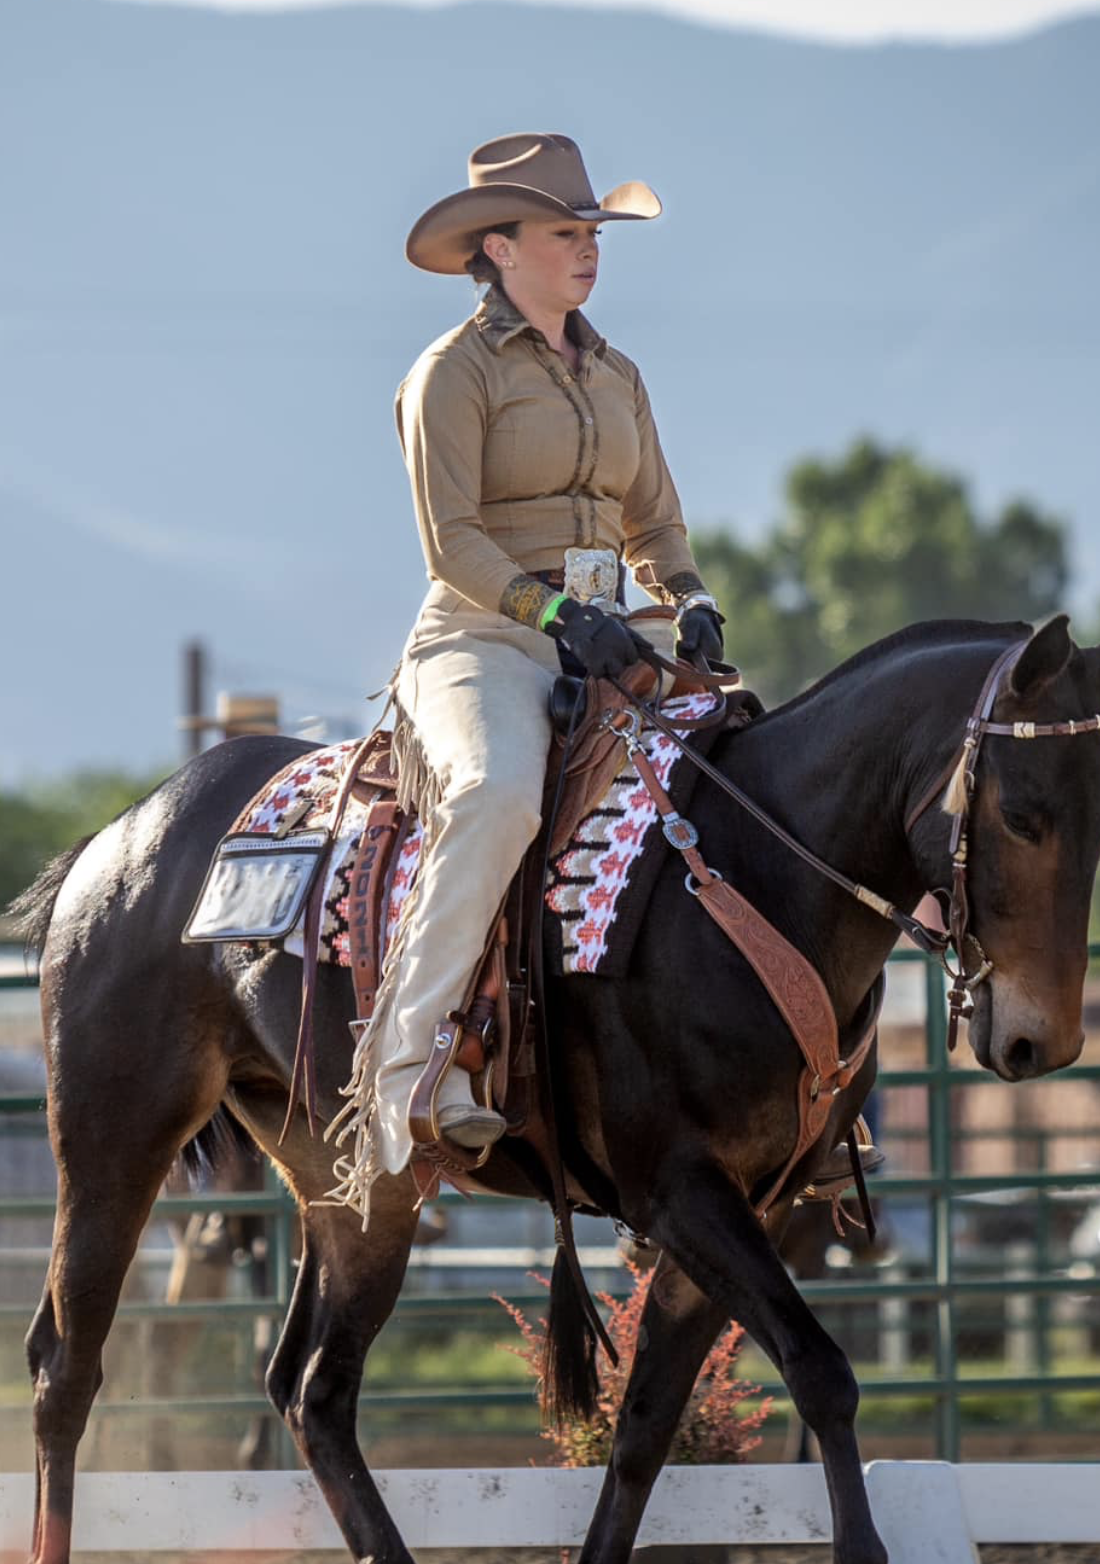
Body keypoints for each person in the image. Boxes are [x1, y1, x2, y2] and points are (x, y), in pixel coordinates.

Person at [327, 133, 724, 1216]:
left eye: (594, 231)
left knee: (759, 771)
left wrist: (686, 596)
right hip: (482, 637)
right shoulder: (450, 374)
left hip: (617, 627)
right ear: (498, 247)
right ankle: (405, 1073)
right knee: (499, 794)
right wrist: (555, 615)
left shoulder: (619, 372)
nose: (589, 248)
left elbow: (658, 520)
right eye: (566, 232)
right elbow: (452, 544)